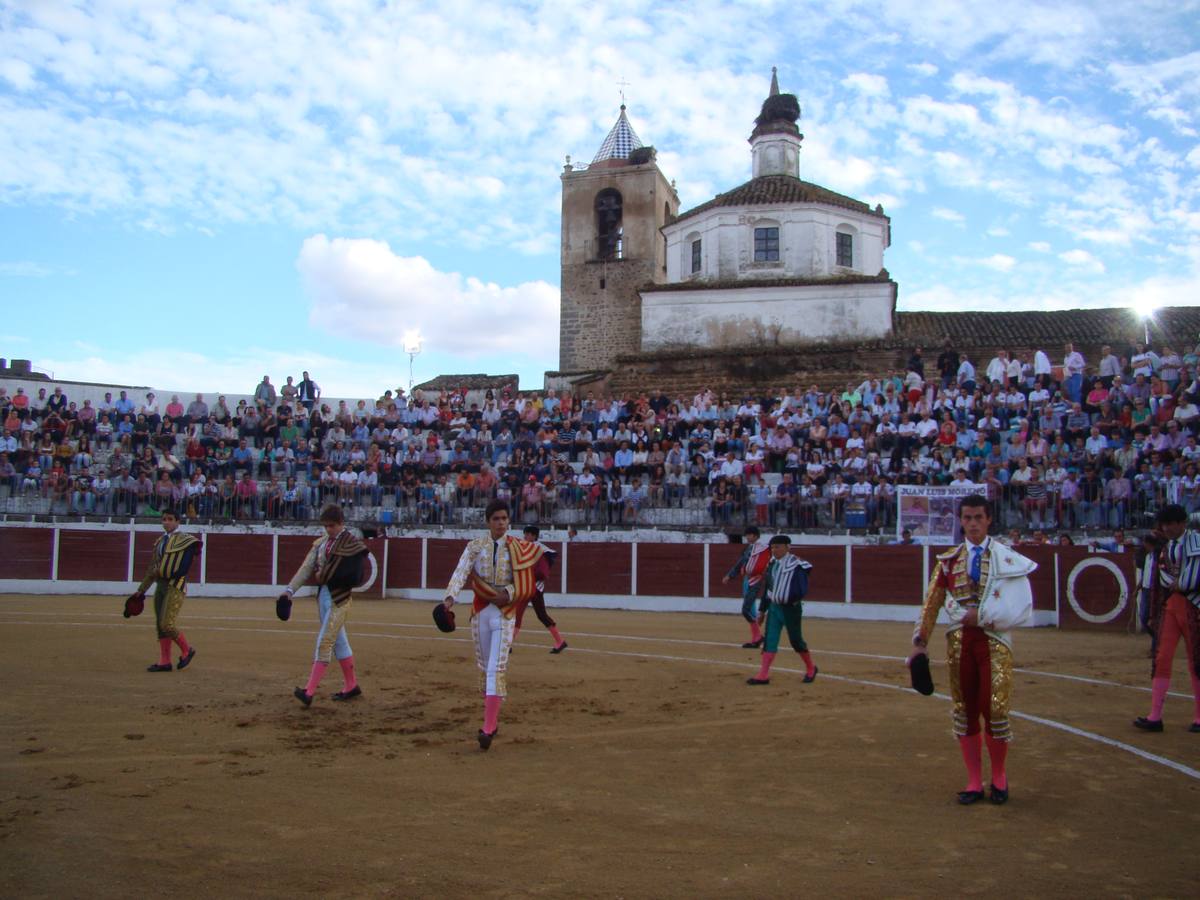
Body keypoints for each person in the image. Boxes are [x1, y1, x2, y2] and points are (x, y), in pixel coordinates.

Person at [908, 494, 1036, 805]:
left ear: (989, 519)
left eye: (978, 517)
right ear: (961, 521)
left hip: (995, 643)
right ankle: (974, 781)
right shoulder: (949, 562)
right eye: (967, 518)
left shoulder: (1007, 559)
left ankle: (1000, 777)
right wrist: (919, 643)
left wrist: (986, 617)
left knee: (995, 710)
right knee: (965, 712)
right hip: (960, 643)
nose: (973, 523)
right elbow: (931, 604)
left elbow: (1021, 606)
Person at [441, 500, 548, 750]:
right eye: (496, 519)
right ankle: (493, 719)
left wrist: (509, 594)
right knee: (484, 665)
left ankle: (488, 727)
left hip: (505, 612)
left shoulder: (518, 547)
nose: (501, 523)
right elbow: (460, 572)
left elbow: (528, 580)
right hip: (480, 612)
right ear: (488, 521)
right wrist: (449, 599)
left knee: (496, 668)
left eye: (504, 518)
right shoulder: (476, 546)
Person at [279, 504, 369, 706]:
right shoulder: (321, 544)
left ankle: (309, 692)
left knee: (325, 642)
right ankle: (351, 685)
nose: (328, 529)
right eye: (326, 526)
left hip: (340, 599)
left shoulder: (350, 544)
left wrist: (325, 576)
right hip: (324, 597)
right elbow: (306, 568)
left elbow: (353, 575)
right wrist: (289, 591)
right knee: (339, 643)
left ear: (341, 524)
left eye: (332, 526)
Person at [1133, 504, 1200, 733]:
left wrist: (1179, 583)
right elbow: (1163, 578)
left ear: (1182, 523)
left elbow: (1193, 577)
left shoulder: (1196, 543)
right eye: (1164, 524)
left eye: (1171, 524)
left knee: (1196, 661)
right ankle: (1155, 716)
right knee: (1162, 657)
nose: (1167, 528)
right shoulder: (1167, 547)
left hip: (1195, 606)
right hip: (1173, 606)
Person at [126, 508, 199, 672]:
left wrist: (168, 573)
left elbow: (184, 567)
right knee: (160, 624)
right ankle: (164, 661)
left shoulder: (187, 540)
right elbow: (153, 568)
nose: (166, 522)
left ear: (178, 521)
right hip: (160, 585)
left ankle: (187, 650)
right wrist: (142, 590)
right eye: (164, 519)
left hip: (176, 585)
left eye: (170, 519)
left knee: (167, 623)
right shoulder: (159, 542)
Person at [746, 535, 817, 685]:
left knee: (796, 640)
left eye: (777, 547)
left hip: (791, 609)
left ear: (787, 547)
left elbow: (801, 588)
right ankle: (763, 674)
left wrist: (790, 598)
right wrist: (762, 610)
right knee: (770, 640)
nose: (774, 550)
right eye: (772, 547)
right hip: (774, 608)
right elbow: (768, 589)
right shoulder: (772, 564)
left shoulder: (797, 565)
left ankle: (811, 668)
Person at [513, 524, 568, 653]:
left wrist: (527, 575)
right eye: (525, 534)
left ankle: (507, 644)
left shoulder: (540, 550)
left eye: (527, 534)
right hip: (530, 587)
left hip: (533, 588)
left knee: (522, 613)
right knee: (539, 615)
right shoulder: (529, 548)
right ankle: (560, 641)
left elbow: (543, 573)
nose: (525, 536)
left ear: (534, 536)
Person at [722, 525, 770, 648]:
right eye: (747, 535)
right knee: (749, 610)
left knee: (746, 610)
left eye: (749, 535)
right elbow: (740, 563)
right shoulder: (749, 548)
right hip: (748, 579)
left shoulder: (762, 548)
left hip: (756, 580)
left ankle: (759, 637)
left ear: (755, 536)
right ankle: (757, 638)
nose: (747, 537)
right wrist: (729, 575)